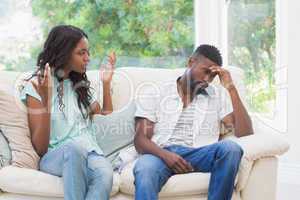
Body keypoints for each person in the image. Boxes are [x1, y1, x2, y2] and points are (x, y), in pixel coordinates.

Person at [132, 44, 253, 200]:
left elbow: (245, 133)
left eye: (212, 75)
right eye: (205, 71)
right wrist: (167, 156)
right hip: (161, 153)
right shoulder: (156, 91)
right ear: (190, 62)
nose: (207, 80)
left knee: (231, 148)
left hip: (200, 154)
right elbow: (140, 140)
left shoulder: (217, 96)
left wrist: (231, 88)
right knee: (145, 169)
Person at [20, 25, 115, 200]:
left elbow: (106, 117)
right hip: (55, 157)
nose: (88, 58)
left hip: (91, 153)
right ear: (64, 53)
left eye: (88, 52)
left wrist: (106, 84)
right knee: (74, 148)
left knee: (105, 175)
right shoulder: (37, 85)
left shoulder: (80, 86)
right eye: (81, 53)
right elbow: (40, 148)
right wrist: (47, 100)